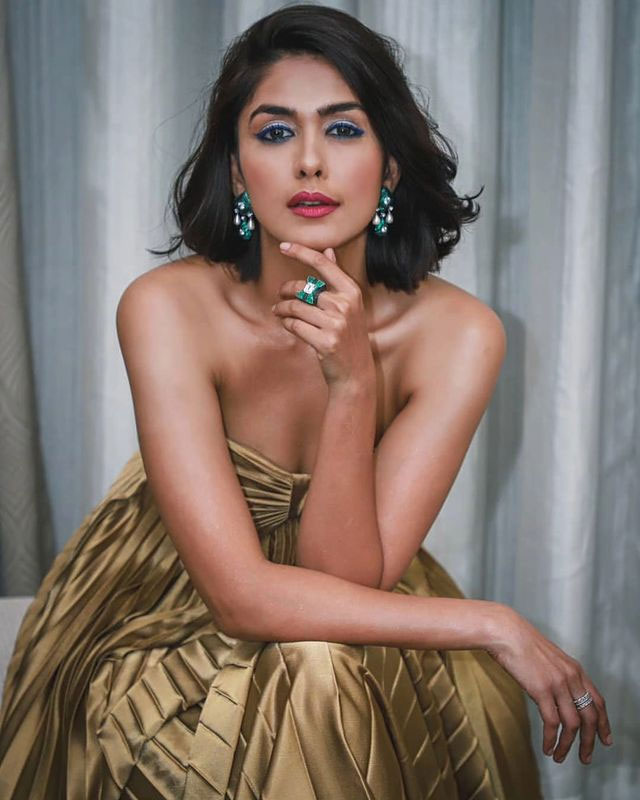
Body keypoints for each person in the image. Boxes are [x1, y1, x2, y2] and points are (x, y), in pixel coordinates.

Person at [0, 4, 612, 799]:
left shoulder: (461, 334)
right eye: (276, 132)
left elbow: (344, 575)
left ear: (391, 168)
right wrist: (491, 622)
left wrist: (352, 384)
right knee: (311, 681)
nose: (311, 162)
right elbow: (241, 598)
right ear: (234, 169)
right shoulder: (166, 308)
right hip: (168, 600)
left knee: (324, 673)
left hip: (362, 598)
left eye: (345, 130)